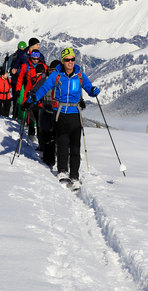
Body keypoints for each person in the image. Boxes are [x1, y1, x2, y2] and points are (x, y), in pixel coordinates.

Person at [24, 48, 100, 189]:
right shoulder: (56, 75)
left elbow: (88, 87)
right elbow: (45, 87)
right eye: (67, 60)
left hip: (75, 114)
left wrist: (93, 91)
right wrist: (34, 98)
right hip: (60, 113)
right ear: (63, 61)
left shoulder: (80, 75)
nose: (70, 62)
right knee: (63, 143)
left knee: (75, 146)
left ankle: (75, 176)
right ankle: (63, 172)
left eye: (72, 59)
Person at [29, 59, 61, 168]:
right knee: (47, 135)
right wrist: (30, 99)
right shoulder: (44, 80)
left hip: (57, 111)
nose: (54, 72)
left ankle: (53, 157)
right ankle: (49, 159)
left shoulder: (63, 80)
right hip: (47, 110)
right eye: (53, 70)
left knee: (56, 135)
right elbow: (34, 91)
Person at [16, 50, 46, 140]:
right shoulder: (26, 66)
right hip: (30, 91)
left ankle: (40, 136)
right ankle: (31, 133)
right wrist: (18, 89)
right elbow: (20, 78)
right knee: (31, 114)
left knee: (40, 117)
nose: (35, 60)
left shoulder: (43, 66)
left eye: (37, 59)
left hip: (41, 93)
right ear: (31, 57)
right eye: (34, 58)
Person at [9, 41, 27, 118]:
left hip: (14, 80)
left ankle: (15, 115)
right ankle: (21, 115)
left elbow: (10, 68)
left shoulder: (14, 56)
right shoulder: (26, 57)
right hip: (22, 80)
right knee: (22, 98)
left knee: (16, 97)